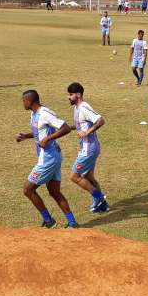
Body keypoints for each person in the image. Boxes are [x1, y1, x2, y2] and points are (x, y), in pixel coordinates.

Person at [15, 89, 78, 228]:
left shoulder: (45, 113)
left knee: (28, 190)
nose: (23, 104)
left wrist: (49, 138)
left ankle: (49, 221)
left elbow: (66, 128)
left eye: (23, 101)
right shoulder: (34, 113)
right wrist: (26, 136)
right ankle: (73, 223)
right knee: (54, 192)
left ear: (29, 101)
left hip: (48, 159)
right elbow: (40, 132)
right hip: (52, 157)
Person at [66, 82, 110, 213]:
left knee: (75, 176)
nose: (68, 97)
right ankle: (103, 205)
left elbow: (100, 120)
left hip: (89, 149)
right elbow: (79, 126)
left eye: (70, 94)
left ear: (78, 95)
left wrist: (87, 132)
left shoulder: (84, 107)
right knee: (89, 177)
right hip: (89, 147)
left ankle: (99, 198)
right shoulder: (76, 108)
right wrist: (66, 128)